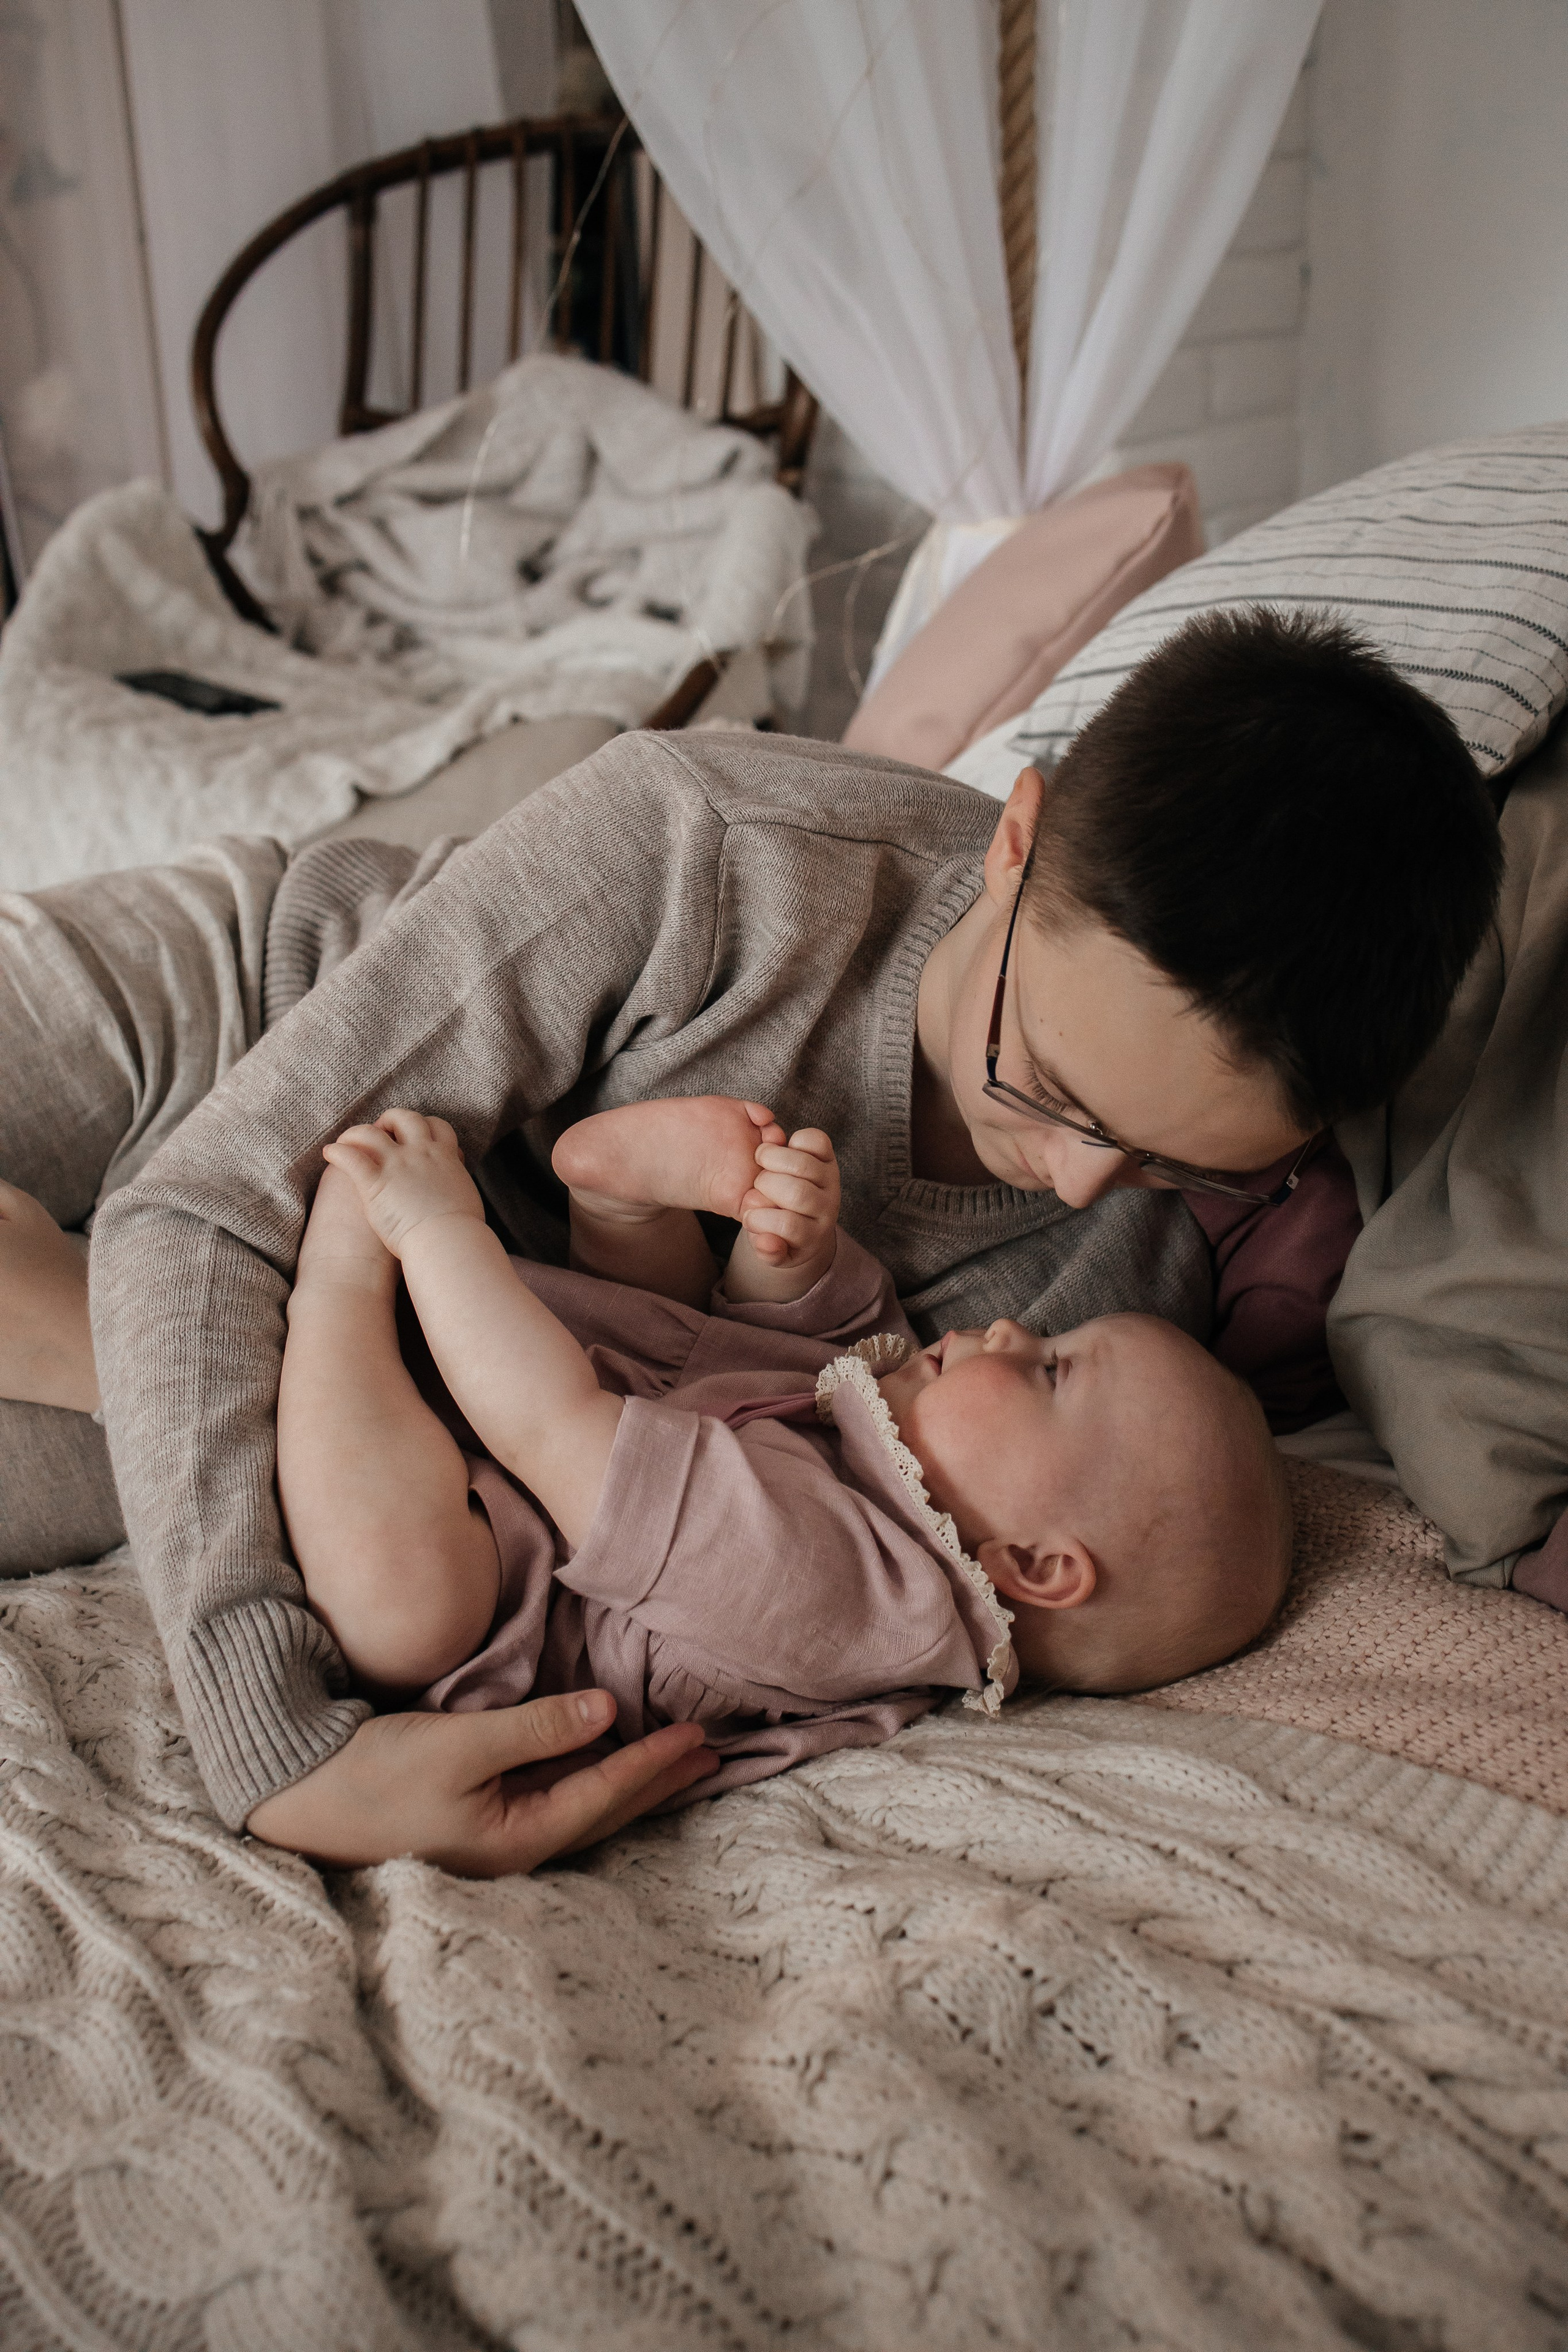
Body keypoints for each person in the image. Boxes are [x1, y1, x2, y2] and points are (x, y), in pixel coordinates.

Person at [0, 609, 1499, 1872]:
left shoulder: (1105, 1299)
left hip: (428, 1340)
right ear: (1017, 842)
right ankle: (96, 1310)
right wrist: (279, 1755)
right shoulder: (716, 842)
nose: (1080, 1180)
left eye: (1177, 1160)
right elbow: (207, 1203)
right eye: (1042, 1084)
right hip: (237, 1011)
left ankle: (87, 1317)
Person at [277, 1091, 1291, 1768]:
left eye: (1056, 1370)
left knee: (404, 1610)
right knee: (701, 1345)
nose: (1020, 1327)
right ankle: (621, 1208)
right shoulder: (908, 1456)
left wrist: (435, 1231)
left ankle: (337, 1283)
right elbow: (813, 1347)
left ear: (1033, 1562)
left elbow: (554, 1428)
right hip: (556, 1410)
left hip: (503, 1595)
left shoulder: (843, 1598)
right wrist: (785, 1254)